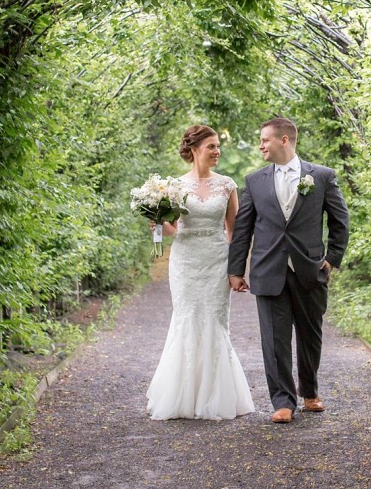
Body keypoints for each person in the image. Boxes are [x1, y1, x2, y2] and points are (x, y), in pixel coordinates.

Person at [228, 117, 350, 423]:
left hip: (310, 269)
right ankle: (282, 401)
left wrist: (332, 259)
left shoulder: (321, 176)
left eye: (265, 139)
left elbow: (340, 221)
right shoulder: (254, 181)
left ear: (285, 140)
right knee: (274, 339)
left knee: (310, 335)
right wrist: (236, 269)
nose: (261, 145)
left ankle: (309, 393)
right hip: (268, 269)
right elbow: (243, 229)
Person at [146, 125, 256, 420]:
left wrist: (237, 270)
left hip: (217, 259)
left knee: (215, 320)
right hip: (185, 261)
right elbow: (172, 230)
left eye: (218, 146)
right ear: (194, 150)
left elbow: (236, 233)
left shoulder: (227, 186)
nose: (217, 151)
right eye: (211, 146)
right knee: (187, 317)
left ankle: (216, 395)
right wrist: (156, 219)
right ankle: (183, 395)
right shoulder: (175, 187)